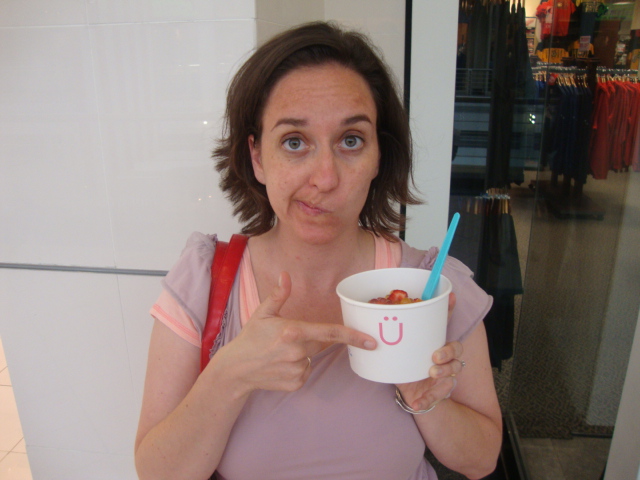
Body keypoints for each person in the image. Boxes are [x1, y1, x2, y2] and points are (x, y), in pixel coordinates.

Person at [134, 21, 502, 480]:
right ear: (257, 157)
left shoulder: (428, 289)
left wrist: (421, 395)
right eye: (294, 142)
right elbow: (156, 472)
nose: (325, 178)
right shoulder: (205, 283)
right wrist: (229, 375)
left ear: (378, 156)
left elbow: (481, 459)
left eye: (351, 141)